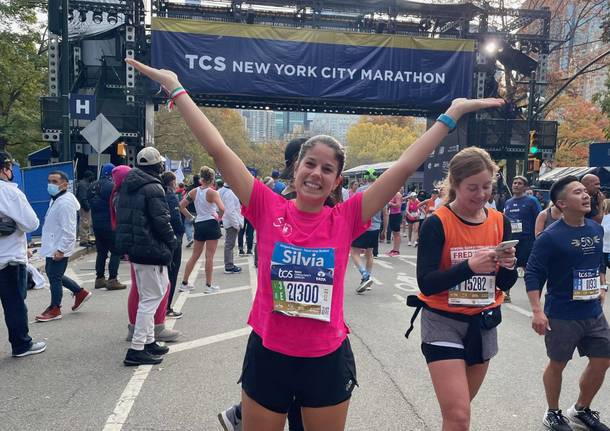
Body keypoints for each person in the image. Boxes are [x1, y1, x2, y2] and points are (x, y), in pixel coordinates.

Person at [127, 53, 504, 431]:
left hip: (325, 360)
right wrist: (175, 88)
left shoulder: (345, 219)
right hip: (269, 356)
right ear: (296, 168)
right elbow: (219, 150)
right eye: (310, 164)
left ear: (337, 181)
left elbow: (404, 166)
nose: (316, 173)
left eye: (327, 169)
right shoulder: (265, 205)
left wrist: (450, 115)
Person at [413, 147, 518, 431]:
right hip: (443, 322)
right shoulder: (437, 223)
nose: (481, 194)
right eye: (473, 187)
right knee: (459, 416)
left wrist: (508, 267)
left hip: (483, 323)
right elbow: (426, 282)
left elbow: (504, 286)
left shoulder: (499, 221)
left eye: (487, 187)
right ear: (455, 184)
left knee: (459, 413)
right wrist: (469, 267)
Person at [524, 176, 610, 431]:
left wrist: (602, 285)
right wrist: (537, 311)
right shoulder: (550, 237)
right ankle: (553, 412)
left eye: (585, 191)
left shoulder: (596, 229)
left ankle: (581, 409)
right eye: (577, 192)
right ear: (562, 203)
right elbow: (533, 273)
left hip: (592, 311)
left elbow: (598, 262)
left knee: (603, 359)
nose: (585, 196)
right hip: (562, 313)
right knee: (558, 363)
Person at [116, 147, 176, 366]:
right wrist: (172, 241)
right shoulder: (153, 187)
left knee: (149, 295)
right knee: (151, 298)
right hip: (151, 249)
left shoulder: (129, 185)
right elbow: (162, 220)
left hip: (137, 249)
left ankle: (148, 341)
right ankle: (137, 348)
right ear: (157, 166)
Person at [0, 151, 46, 357]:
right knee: (14, 304)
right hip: (8, 258)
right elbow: (31, 223)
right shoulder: (9, 193)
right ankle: (21, 344)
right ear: (4, 169)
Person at [36, 171, 92, 322]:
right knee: (53, 273)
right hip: (53, 244)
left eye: (54, 182)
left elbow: (69, 230)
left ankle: (55, 308)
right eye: (49, 181)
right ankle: (80, 293)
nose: (51, 184)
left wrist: (61, 249)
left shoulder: (65, 203)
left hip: (59, 246)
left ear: (65, 184)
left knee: (54, 277)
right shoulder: (56, 199)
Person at [179, 166, 224, 293]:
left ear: (201, 178)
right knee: (209, 256)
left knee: (195, 255)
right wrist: (219, 218)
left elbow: (181, 206)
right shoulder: (213, 192)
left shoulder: (194, 192)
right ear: (212, 179)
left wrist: (191, 217)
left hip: (199, 223)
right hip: (211, 223)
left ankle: (184, 283)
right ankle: (209, 286)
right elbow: (222, 208)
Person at [89, 163, 126, 290]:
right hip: (110, 224)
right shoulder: (112, 186)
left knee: (101, 252)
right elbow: (117, 204)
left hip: (96, 224)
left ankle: (99, 278)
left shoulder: (92, 186)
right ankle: (112, 280)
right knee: (116, 251)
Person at [503, 175, 541, 287]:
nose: (516, 185)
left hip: (527, 239)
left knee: (524, 267)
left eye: (519, 183)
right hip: (512, 239)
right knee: (508, 265)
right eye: (515, 183)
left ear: (525, 187)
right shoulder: (508, 202)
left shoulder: (531, 201)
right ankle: (506, 292)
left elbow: (539, 218)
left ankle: (532, 290)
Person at [162, 171, 185, 318]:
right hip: (173, 237)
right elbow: (176, 218)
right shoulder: (171, 196)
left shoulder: (158, 193)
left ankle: (162, 306)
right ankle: (167, 306)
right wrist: (181, 232)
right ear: (172, 182)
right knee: (172, 273)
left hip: (162, 237)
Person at [219, 181, 243, 274]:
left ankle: (229, 264)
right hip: (231, 222)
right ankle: (229, 265)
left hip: (228, 221)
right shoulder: (229, 193)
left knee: (229, 244)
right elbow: (231, 211)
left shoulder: (222, 191)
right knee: (230, 245)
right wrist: (236, 224)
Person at [76, 170, 94, 245]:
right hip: (84, 207)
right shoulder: (83, 184)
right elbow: (83, 197)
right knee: (84, 223)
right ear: (88, 177)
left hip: (85, 206)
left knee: (87, 223)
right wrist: (87, 206)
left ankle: (86, 238)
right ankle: (83, 240)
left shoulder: (84, 183)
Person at [184, 175, 199, 247]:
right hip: (198, 210)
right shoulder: (202, 188)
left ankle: (190, 239)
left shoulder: (189, 188)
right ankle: (198, 240)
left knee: (188, 224)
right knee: (197, 226)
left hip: (189, 209)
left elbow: (185, 198)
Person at [386, 188, 403, 256]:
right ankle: (394, 249)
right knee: (394, 233)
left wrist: (390, 203)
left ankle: (396, 250)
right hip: (392, 214)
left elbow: (398, 205)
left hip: (396, 215)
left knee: (397, 233)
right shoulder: (392, 194)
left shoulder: (397, 194)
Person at [602, 199, 610, 270]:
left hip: (607, 248)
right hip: (603, 249)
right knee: (602, 270)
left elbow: (606, 231)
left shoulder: (606, 217)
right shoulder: (602, 217)